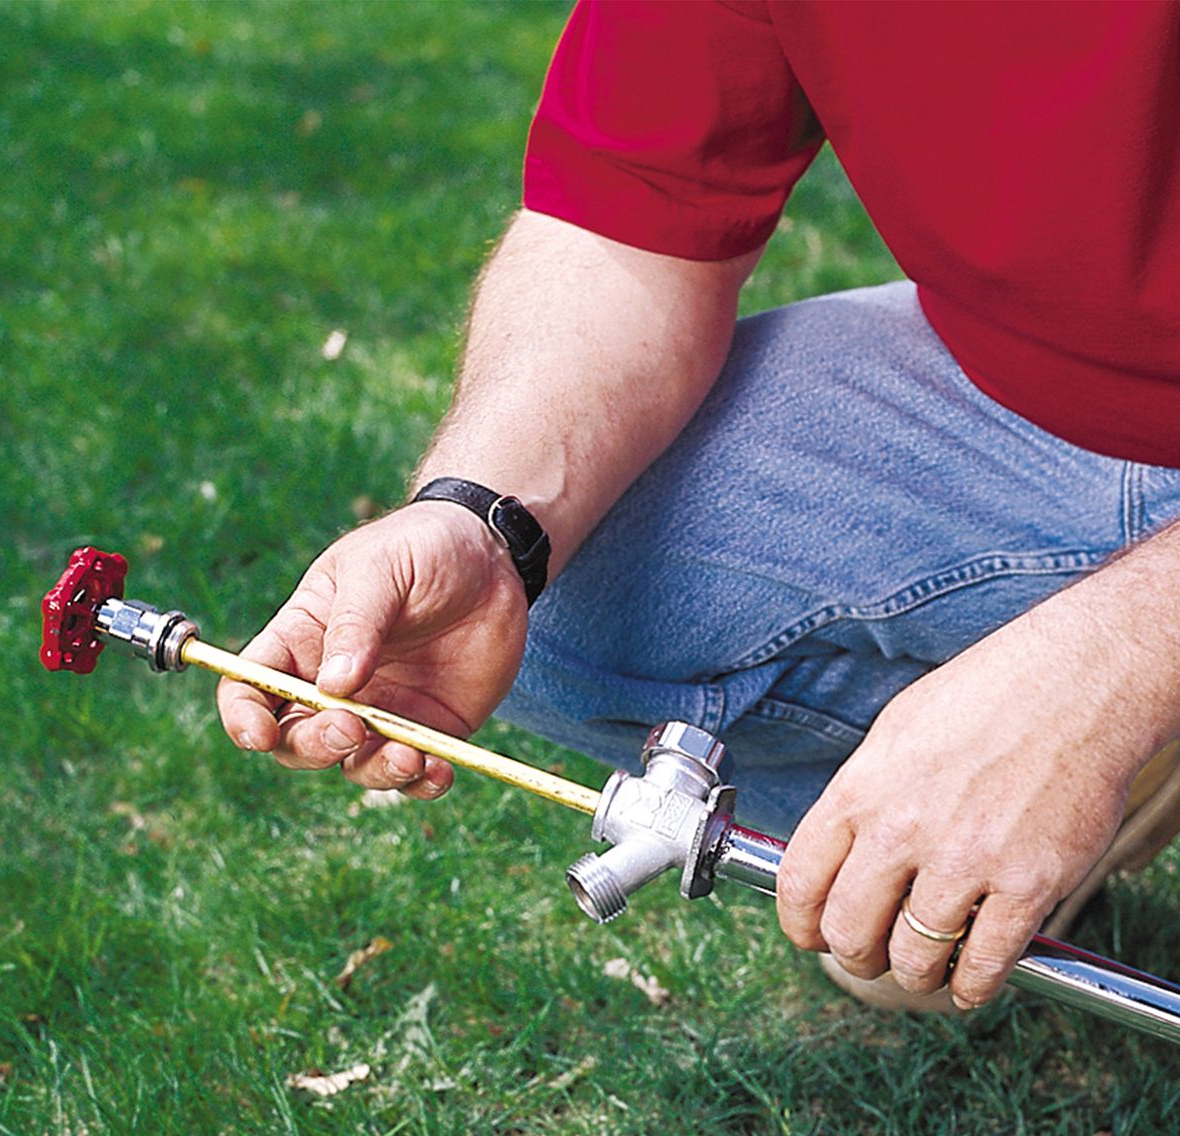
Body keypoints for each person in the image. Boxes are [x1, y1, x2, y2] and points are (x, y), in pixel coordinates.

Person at [219, 0, 1180, 1014]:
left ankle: (1111, 732)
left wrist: (1097, 681)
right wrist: (478, 520)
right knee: (556, 590)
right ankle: (987, 823)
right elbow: (630, 216)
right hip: (1042, 411)